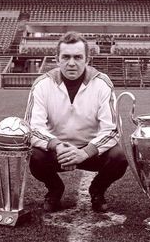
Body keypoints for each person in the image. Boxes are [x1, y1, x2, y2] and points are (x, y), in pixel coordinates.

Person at [24, 31, 128, 213]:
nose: (71, 63)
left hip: (92, 151)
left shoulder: (102, 83)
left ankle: (97, 190)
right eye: (66, 57)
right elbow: (32, 128)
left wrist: (85, 152)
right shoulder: (42, 84)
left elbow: (112, 130)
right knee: (35, 156)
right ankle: (55, 189)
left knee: (119, 156)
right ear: (57, 59)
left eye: (78, 57)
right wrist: (57, 146)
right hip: (57, 152)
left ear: (87, 60)